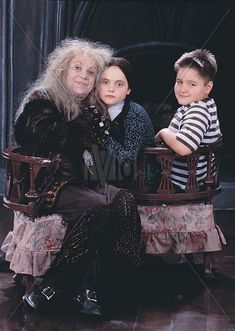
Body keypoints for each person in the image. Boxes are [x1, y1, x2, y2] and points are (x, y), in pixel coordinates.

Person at [9, 38, 142, 316]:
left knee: (125, 200)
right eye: (77, 68)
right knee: (98, 206)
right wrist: (80, 127)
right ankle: (58, 288)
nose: (83, 75)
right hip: (50, 183)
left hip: (87, 181)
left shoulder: (93, 108)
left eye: (91, 72)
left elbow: (96, 160)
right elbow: (38, 134)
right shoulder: (42, 99)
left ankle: (114, 290)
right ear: (62, 71)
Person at [155, 49, 222, 190]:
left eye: (192, 84)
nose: (183, 89)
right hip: (185, 181)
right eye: (179, 82)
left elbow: (184, 148)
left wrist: (163, 132)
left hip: (184, 185)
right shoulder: (201, 105)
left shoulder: (199, 111)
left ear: (207, 87)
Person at [86, 57, 156, 190]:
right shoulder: (95, 109)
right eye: (105, 82)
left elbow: (128, 161)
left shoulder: (135, 114)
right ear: (97, 85)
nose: (111, 89)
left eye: (119, 84)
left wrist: (103, 135)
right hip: (108, 176)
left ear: (129, 89)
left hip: (140, 182)